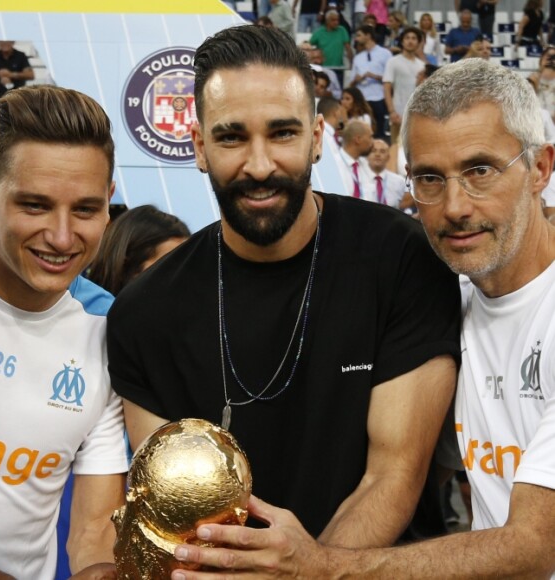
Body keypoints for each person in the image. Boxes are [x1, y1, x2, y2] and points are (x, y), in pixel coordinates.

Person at [169, 57, 555, 580]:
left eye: (480, 170)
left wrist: (321, 565)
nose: (456, 205)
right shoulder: (451, 298)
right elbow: (427, 473)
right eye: (429, 178)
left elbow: (536, 547)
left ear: (540, 168)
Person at [107, 23, 461, 576]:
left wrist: (311, 569)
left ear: (317, 137)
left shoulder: (400, 258)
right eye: (230, 137)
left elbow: (392, 475)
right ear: (198, 146)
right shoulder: (142, 315)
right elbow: (177, 517)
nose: (260, 164)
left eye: (282, 133)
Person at [0, 85, 128, 579]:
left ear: (109, 203)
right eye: (36, 206)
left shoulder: (112, 332)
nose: (62, 238)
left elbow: (93, 530)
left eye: (84, 210)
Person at [87, 205, 190, 296]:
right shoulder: (88, 314)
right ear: (125, 268)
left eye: (187, 266)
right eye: (168, 267)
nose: (182, 278)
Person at [383, 26, 425, 144]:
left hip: (417, 115)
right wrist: (391, 111)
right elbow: (387, 87)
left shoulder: (422, 65)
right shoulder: (393, 61)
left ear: (418, 42)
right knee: (397, 150)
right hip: (398, 113)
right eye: (407, 38)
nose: (410, 41)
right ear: (402, 41)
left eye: (413, 38)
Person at [350, 24, 392, 139]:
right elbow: (351, 82)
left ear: (368, 36)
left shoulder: (385, 53)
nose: (356, 38)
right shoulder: (358, 57)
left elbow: (391, 78)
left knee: (379, 133)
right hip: (362, 99)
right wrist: (356, 79)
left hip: (379, 97)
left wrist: (374, 76)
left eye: (359, 35)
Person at [359, 138, 409, 208]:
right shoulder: (358, 179)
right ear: (367, 156)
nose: (377, 154)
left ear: (388, 157)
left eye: (382, 151)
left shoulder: (400, 181)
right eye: (373, 151)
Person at [310, 9, 353, 86]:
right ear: (327, 21)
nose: (336, 22)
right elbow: (309, 46)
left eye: (337, 20)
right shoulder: (319, 32)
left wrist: (351, 64)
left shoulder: (342, 30)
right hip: (323, 69)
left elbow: (348, 48)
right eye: (333, 20)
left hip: (338, 69)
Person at [337, 119, 374, 197]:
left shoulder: (366, 165)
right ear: (358, 139)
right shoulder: (334, 164)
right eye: (370, 137)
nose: (373, 142)